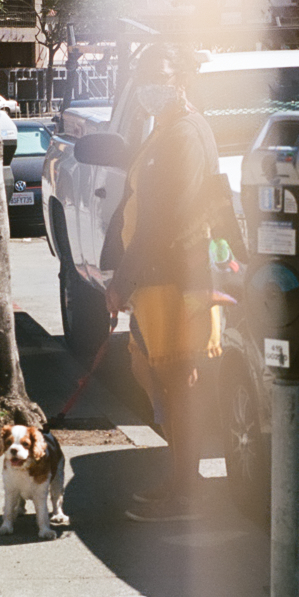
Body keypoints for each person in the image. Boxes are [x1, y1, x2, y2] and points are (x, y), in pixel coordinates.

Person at [104, 45, 234, 522]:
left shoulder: (185, 133)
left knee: (181, 383)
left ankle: (187, 491)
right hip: (159, 278)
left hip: (180, 278)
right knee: (165, 380)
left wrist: (124, 277)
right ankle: (181, 481)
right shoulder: (165, 130)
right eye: (141, 75)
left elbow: (165, 218)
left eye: (158, 74)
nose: (148, 85)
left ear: (178, 78)